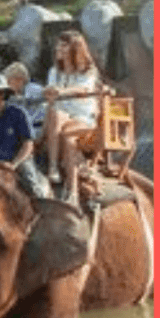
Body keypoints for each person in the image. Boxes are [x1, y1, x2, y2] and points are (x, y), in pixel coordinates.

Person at [40, 30, 107, 204]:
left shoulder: (88, 71)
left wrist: (62, 91)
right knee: (54, 112)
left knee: (68, 136)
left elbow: (83, 90)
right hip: (61, 116)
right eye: (58, 44)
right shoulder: (54, 71)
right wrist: (48, 92)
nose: (58, 48)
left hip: (83, 118)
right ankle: (54, 167)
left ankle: (72, 192)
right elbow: (50, 91)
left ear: (75, 48)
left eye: (64, 45)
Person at [0, 72, 51, 200]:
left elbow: (28, 144)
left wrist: (14, 164)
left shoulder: (18, 114)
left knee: (31, 184)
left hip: (18, 160)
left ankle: (43, 205)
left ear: (2, 94)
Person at [3, 61, 47, 143]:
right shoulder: (10, 96)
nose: (7, 84)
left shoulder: (34, 89)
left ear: (20, 79)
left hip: (37, 129)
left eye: (10, 81)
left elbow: (49, 95)